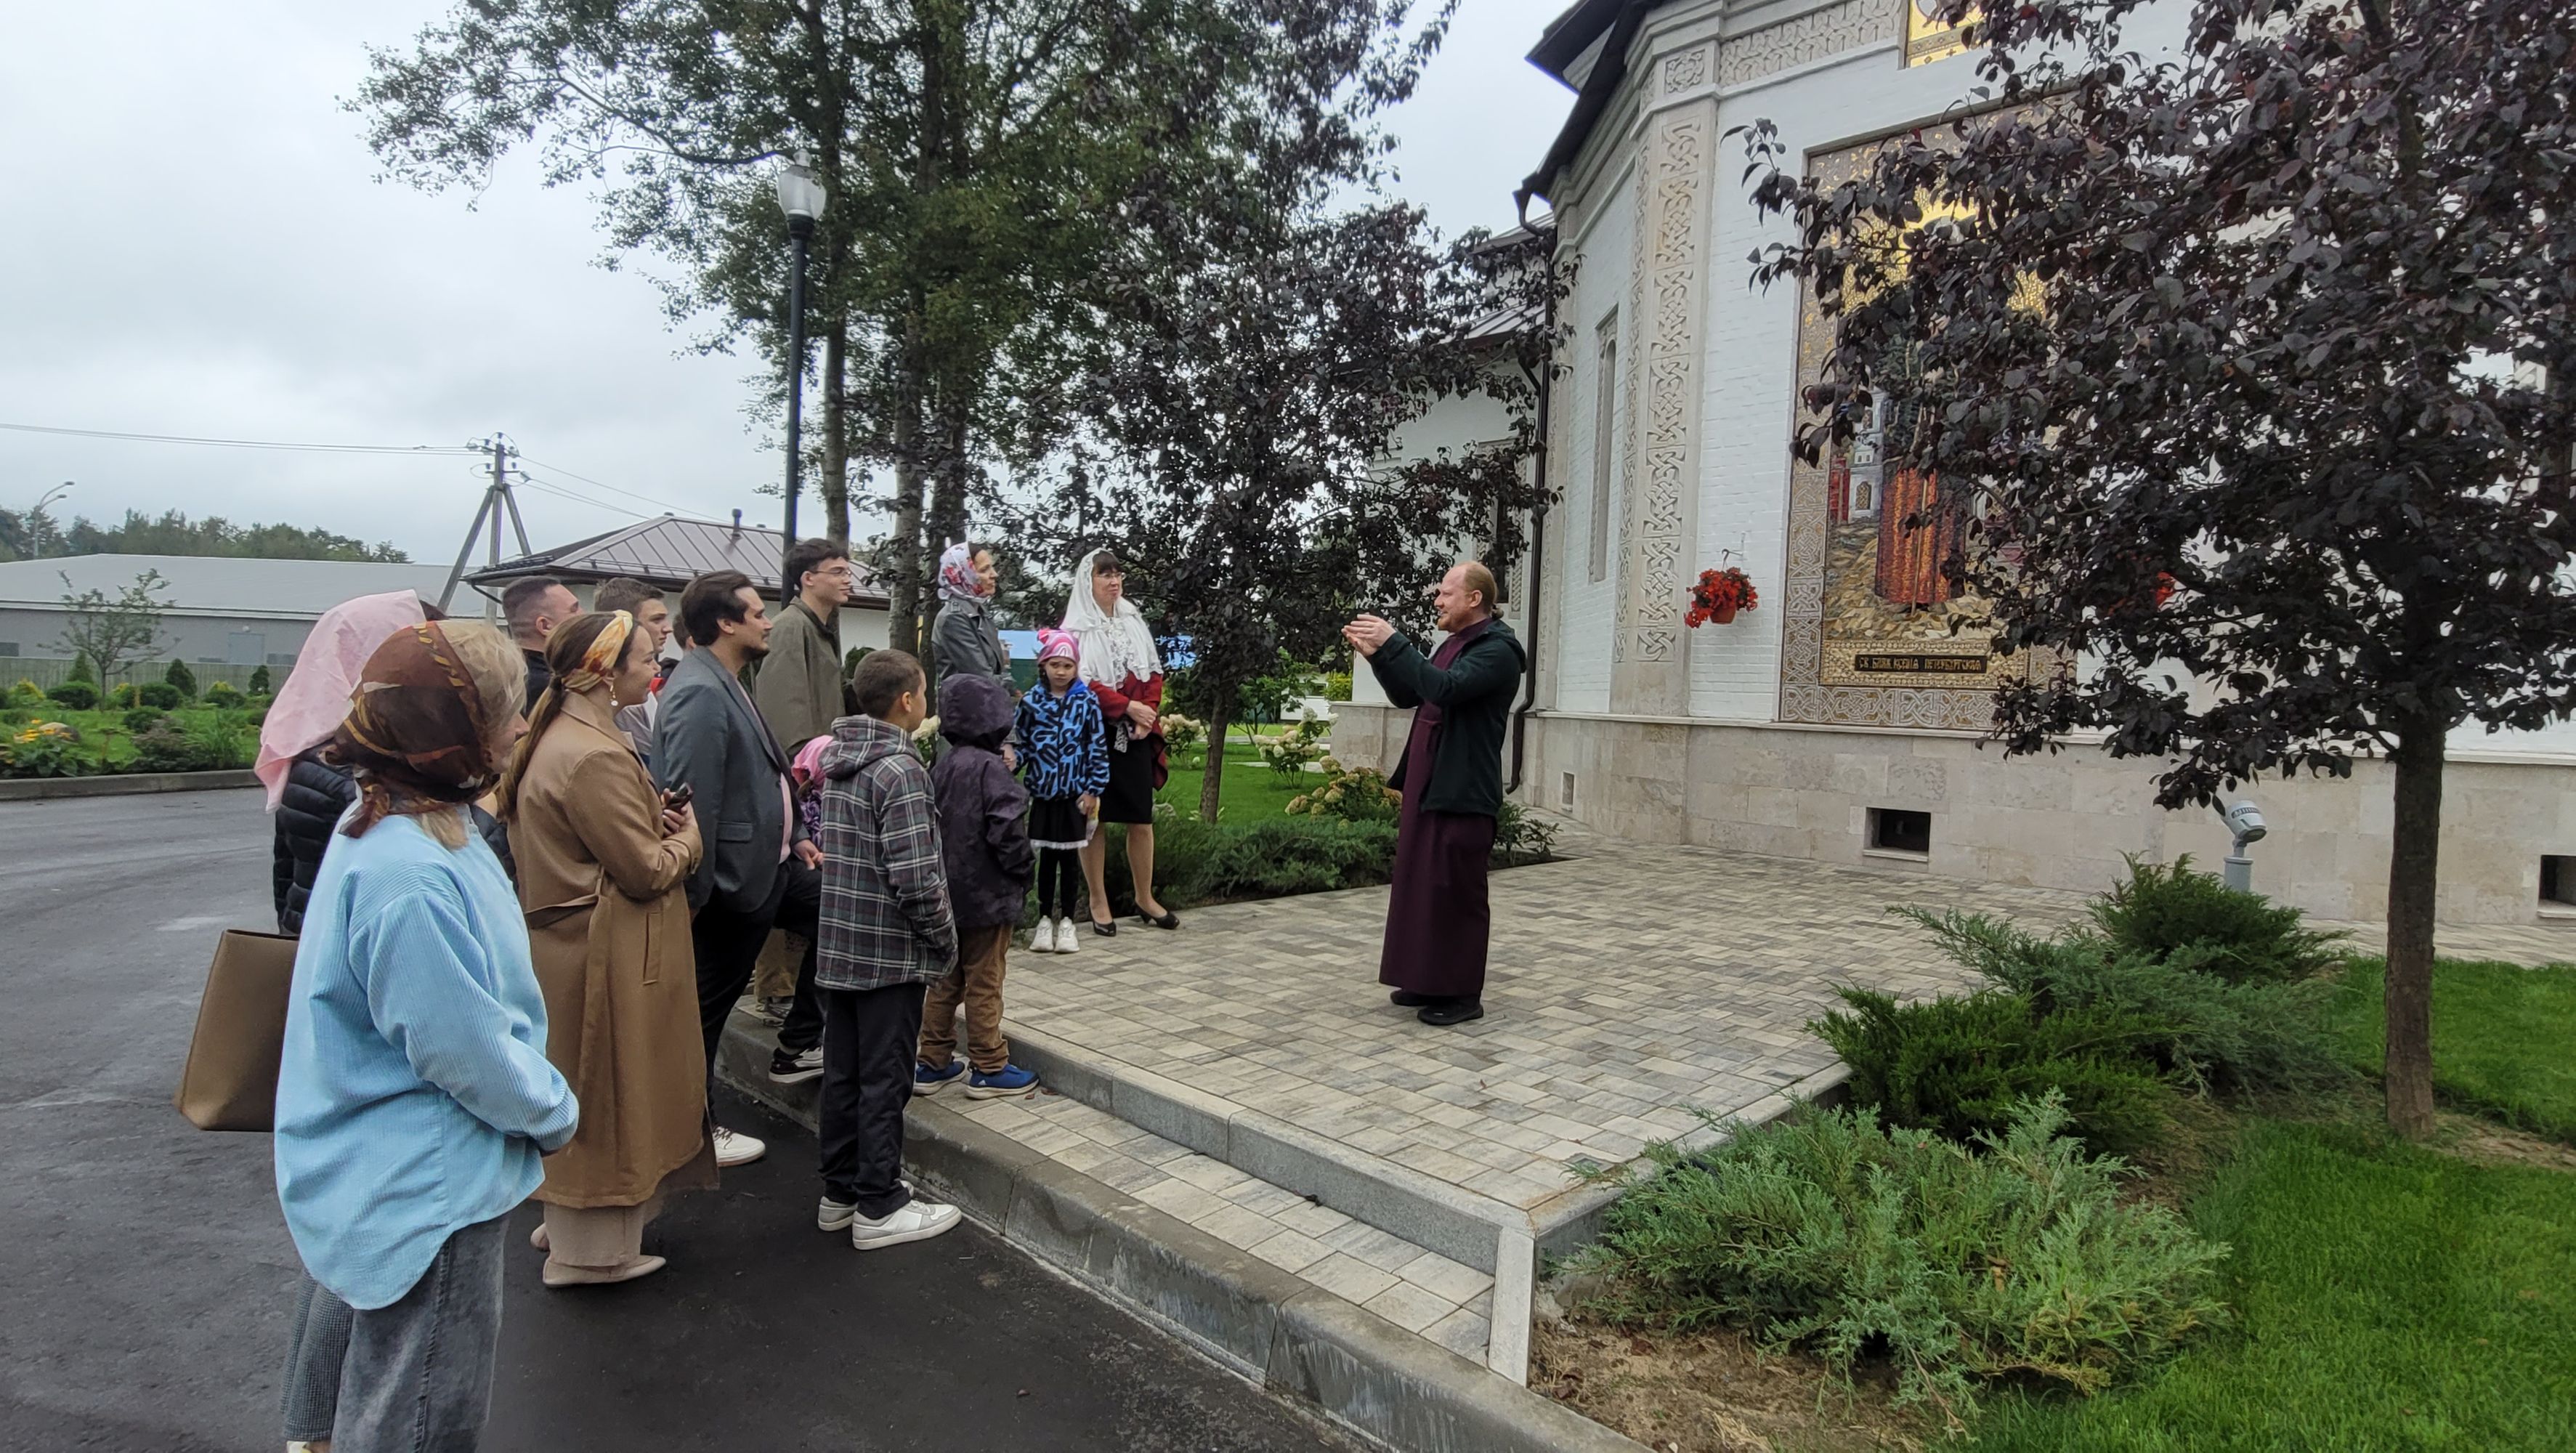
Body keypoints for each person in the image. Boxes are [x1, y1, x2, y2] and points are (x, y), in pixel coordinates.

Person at [272, 620, 575, 1452]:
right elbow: (460, 1047)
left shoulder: (393, 819)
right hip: (427, 1186)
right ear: (453, 735)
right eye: (504, 711)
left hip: (386, 1166)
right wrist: (552, 1111)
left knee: (379, 1397)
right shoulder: (412, 874)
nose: (521, 725)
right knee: (419, 1418)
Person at [493, 610, 711, 1287]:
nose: (654, 668)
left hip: (576, 945)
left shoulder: (562, 735)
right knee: (610, 1096)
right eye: (644, 658)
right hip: (605, 955)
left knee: (583, 1088)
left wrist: (650, 821)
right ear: (604, 673)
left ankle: (571, 1221)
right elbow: (644, 870)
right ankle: (589, 1252)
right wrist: (688, 839)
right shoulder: (593, 753)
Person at [653, 570, 826, 1170]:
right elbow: (690, 801)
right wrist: (698, 894)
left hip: (772, 865)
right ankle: (692, 1133)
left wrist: (796, 835)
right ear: (725, 623)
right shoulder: (700, 691)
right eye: (756, 613)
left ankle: (799, 1043)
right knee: (703, 1012)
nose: (767, 622)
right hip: (731, 884)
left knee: (843, 911)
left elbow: (764, 776)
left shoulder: (726, 679)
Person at [814, 649, 965, 1249]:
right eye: (923, 692)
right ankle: (879, 1204)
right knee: (885, 1079)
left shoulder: (838, 761)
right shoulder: (900, 770)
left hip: (840, 947)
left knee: (844, 1075)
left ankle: (840, 1192)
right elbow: (917, 878)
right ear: (907, 700)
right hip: (889, 955)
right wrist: (944, 940)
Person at [1345, 562, 1526, 1027]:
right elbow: (1412, 694)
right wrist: (1379, 658)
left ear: (1474, 599)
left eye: (1446, 593)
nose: (1437, 601)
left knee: (1455, 891)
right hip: (1429, 783)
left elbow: (1444, 690)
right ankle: (1425, 979)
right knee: (1421, 885)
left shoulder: (1498, 650)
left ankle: (1462, 994)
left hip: (1462, 788)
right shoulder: (1454, 644)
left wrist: (1395, 643)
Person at [913, 672, 1040, 1098]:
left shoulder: (941, 766)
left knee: (945, 979)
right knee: (985, 980)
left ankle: (932, 1061)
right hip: (989, 897)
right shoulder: (993, 771)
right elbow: (1008, 832)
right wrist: (1023, 872)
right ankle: (989, 1064)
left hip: (946, 895)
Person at [1062, 549, 1178, 936]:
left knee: (1140, 817)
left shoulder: (1132, 619)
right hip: (1095, 735)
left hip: (1135, 733)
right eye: (1104, 575)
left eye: (1117, 574)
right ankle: (1099, 901)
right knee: (1094, 819)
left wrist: (1148, 713)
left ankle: (1145, 897)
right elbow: (1079, 682)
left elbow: (1152, 671)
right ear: (1088, 581)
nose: (1114, 582)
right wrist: (1127, 707)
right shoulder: (1076, 629)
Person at [1014, 628, 1108, 955]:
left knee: (1069, 860)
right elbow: (1022, 743)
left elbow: (1097, 747)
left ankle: (1067, 922)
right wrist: (1011, 760)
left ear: (1076, 667)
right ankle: (1044, 921)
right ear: (1044, 664)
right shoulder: (1031, 702)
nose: (1061, 672)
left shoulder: (1087, 701)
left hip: (1074, 796)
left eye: (1068, 666)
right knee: (1046, 860)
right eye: (1055, 664)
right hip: (1043, 795)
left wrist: (1093, 789)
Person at [752, 538, 855, 754]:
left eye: (848, 572)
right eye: (837, 572)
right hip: (804, 767)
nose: (847, 580)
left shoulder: (816, 627)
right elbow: (784, 714)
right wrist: (804, 765)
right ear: (808, 578)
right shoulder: (790, 627)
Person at [595, 577, 675, 759]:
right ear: (626, 625)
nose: (668, 628)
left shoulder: (637, 686)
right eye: (657, 620)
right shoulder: (623, 695)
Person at [928, 541, 1010, 693]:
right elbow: (983, 679)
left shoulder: (980, 612)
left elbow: (998, 671)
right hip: (968, 706)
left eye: (991, 567)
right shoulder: (954, 618)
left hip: (989, 703)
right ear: (963, 575)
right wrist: (1009, 684)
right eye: (984, 569)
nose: (994, 574)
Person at [503, 576, 580, 715]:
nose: (584, 615)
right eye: (574, 610)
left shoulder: (505, 678)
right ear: (545, 626)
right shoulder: (551, 689)